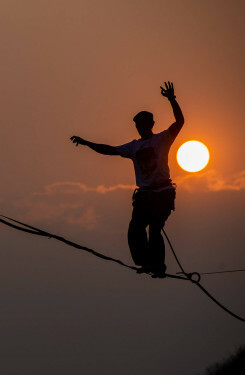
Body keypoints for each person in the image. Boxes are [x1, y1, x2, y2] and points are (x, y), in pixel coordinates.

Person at [69, 81, 184, 277]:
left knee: (155, 229)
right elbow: (109, 150)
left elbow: (180, 122)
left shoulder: (162, 139)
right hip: (145, 196)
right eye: (138, 126)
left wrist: (172, 99)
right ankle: (147, 263)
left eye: (144, 125)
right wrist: (87, 143)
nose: (141, 128)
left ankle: (158, 266)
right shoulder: (133, 147)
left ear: (152, 125)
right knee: (136, 230)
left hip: (163, 193)